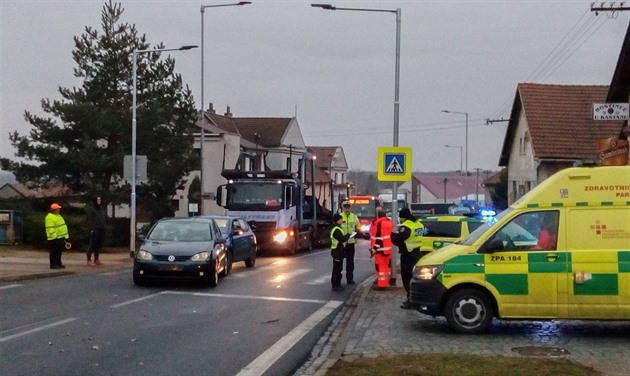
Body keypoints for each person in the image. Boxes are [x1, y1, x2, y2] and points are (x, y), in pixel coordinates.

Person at [391, 207, 425, 309]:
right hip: (417, 254)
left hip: (407, 255)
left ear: (403, 217)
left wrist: (392, 235)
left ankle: (410, 300)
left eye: (400, 217)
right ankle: (416, 299)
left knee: (407, 278)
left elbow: (398, 240)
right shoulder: (419, 224)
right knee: (415, 278)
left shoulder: (406, 227)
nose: (400, 220)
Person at [369, 210, 393, 288]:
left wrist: (375, 248)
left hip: (380, 249)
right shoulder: (389, 222)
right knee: (386, 266)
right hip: (387, 248)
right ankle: (387, 281)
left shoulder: (379, 223)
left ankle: (382, 284)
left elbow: (379, 238)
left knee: (381, 266)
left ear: (378, 216)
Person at [339, 200, 361, 285]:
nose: (347, 209)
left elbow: (358, 227)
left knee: (350, 262)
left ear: (350, 208)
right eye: (345, 207)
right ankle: (339, 279)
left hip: (351, 242)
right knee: (339, 262)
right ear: (342, 208)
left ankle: (350, 279)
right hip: (342, 243)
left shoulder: (354, 217)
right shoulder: (340, 217)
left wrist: (357, 232)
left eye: (348, 207)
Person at [330, 213, 351, 291]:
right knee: (337, 269)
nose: (342, 220)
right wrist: (348, 235)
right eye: (341, 219)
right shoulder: (336, 229)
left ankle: (337, 284)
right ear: (337, 220)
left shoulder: (337, 228)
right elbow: (341, 239)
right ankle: (336, 284)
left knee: (338, 267)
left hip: (338, 250)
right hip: (337, 251)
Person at [45, 203, 69, 269]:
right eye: (58, 209)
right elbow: (50, 228)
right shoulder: (49, 217)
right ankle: (53, 265)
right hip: (54, 238)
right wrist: (54, 236)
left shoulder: (58, 216)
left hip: (60, 237)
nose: (59, 210)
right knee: (54, 252)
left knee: (58, 252)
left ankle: (58, 263)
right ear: (54, 210)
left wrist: (65, 237)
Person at [86, 196, 107, 266]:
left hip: (101, 229)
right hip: (95, 229)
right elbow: (89, 219)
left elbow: (103, 218)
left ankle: (96, 259)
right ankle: (89, 259)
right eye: (98, 200)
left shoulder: (101, 209)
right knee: (92, 244)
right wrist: (91, 228)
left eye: (100, 199)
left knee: (98, 245)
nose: (99, 201)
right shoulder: (92, 209)